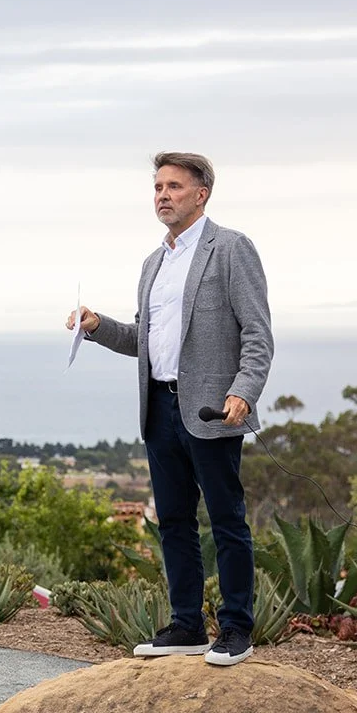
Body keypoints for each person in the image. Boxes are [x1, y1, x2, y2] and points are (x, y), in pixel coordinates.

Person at [69, 152, 273, 667]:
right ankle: (186, 625)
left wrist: (243, 392)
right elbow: (146, 339)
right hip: (159, 408)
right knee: (174, 522)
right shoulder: (153, 264)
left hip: (211, 412)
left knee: (227, 522)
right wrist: (97, 326)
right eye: (158, 186)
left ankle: (236, 630)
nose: (163, 195)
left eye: (174, 186)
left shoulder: (231, 249)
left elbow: (257, 333)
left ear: (201, 193)